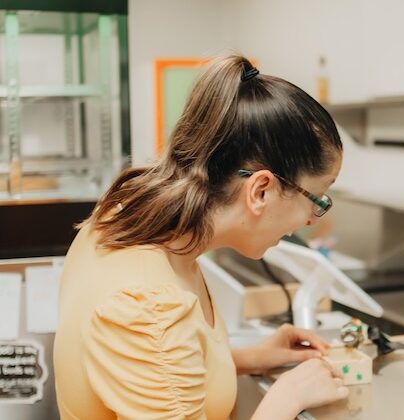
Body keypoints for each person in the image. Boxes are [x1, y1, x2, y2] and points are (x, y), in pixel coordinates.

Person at [53, 54, 349, 419]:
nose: (310, 220)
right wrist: (285, 399)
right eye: (317, 198)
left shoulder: (124, 217)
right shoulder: (149, 307)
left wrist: (248, 358)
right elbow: (155, 342)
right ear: (261, 191)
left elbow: (156, 370)